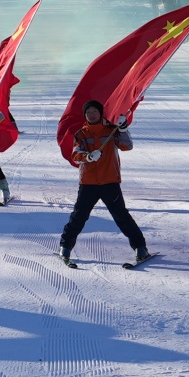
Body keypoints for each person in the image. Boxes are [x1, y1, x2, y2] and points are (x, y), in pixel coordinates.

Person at [58, 100, 151, 265]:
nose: (92, 115)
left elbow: (127, 146)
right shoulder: (81, 134)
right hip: (88, 183)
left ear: (100, 113)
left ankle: (140, 248)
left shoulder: (111, 131)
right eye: (88, 112)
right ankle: (65, 247)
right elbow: (76, 154)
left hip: (109, 182)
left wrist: (123, 129)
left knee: (121, 216)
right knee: (78, 217)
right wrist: (88, 156)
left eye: (94, 112)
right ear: (85, 115)